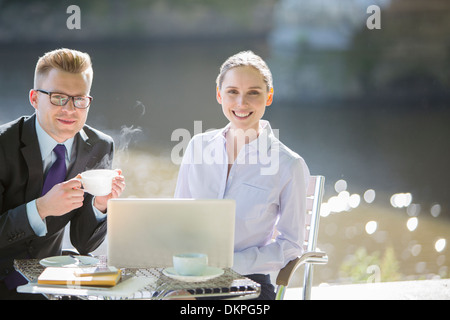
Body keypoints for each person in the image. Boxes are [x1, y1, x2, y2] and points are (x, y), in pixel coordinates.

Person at [174, 51, 310, 299]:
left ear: (268, 97)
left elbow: (291, 246)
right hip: (190, 274)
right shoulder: (197, 146)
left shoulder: (288, 164)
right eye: (232, 92)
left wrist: (230, 262)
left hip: (248, 283)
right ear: (219, 95)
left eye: (253, 93)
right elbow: (178, 216)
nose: (241, 103)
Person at [0, 48, 125, 299]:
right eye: (58, 97)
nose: (70, 109)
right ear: (34, 98)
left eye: (79, 99)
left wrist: (100, 206)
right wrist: (40, 209)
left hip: (51, 278)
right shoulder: (3, 145)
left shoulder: (99, 146)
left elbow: (84, 244)